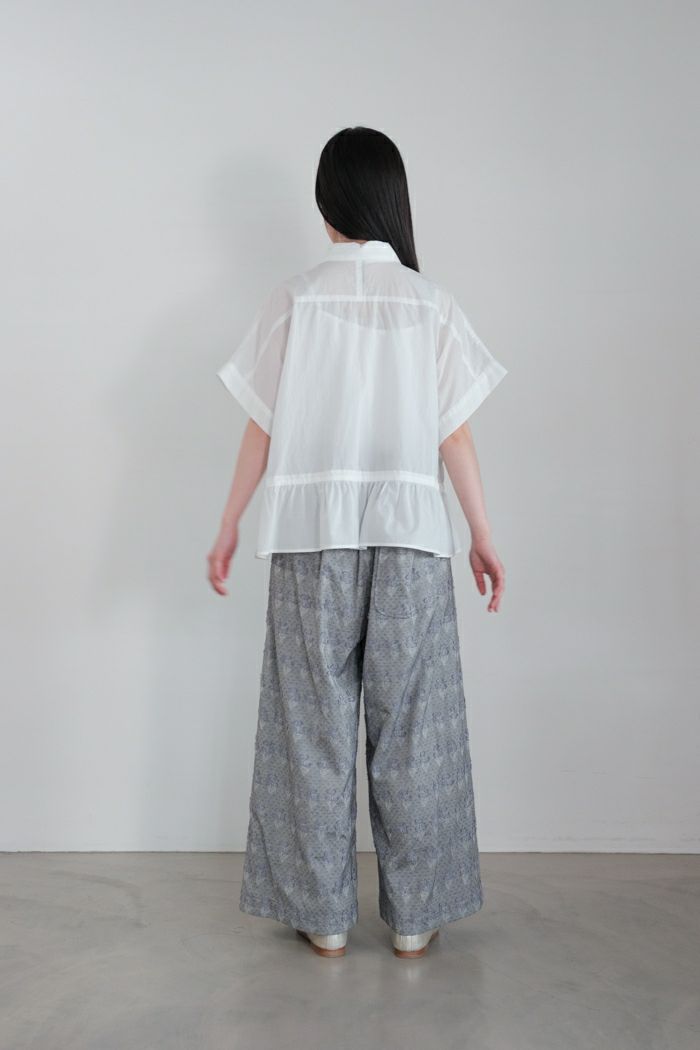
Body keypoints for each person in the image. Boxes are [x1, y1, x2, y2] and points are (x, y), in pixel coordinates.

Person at [207, 126, 508, 960]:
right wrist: (481, 533)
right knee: (416, 724)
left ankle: (325, 916)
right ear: (391, 200)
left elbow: (262, 427)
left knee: (311, 724)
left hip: (310, 536)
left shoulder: (296, 298)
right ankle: (415, 919)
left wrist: (230, 522)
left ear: (327, 202)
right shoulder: (430, 302)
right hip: (413, 537)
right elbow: (455, 435)